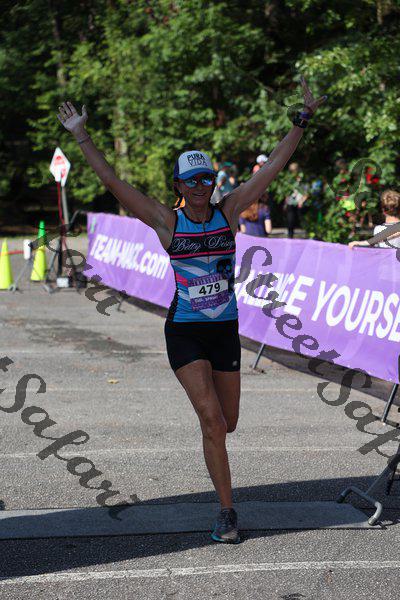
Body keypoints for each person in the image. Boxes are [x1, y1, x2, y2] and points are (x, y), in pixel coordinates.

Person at [56, 76, 326, 545]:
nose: (201, 186)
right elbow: (113, 182)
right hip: (184, 331)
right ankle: (226, 511)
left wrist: (300, 121)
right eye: (192, 180)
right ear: (178, 184)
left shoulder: (230, 210)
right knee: (213, 421)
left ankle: (216, 463)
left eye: (207, 179)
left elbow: (273, 167)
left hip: (225, 330)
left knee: (229, 422)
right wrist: (82, 136)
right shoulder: (167, 220)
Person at [283, 162, 309, 238]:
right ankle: (290, 236)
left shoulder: (302, 179)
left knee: (302, 219)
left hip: (300, 203)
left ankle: (306, 235)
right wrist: (286, 202)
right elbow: (287, 192)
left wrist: (302, 200)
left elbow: (306, 192)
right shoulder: (289, 180)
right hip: (291, 202)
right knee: (290, 220)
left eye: (294, 170)